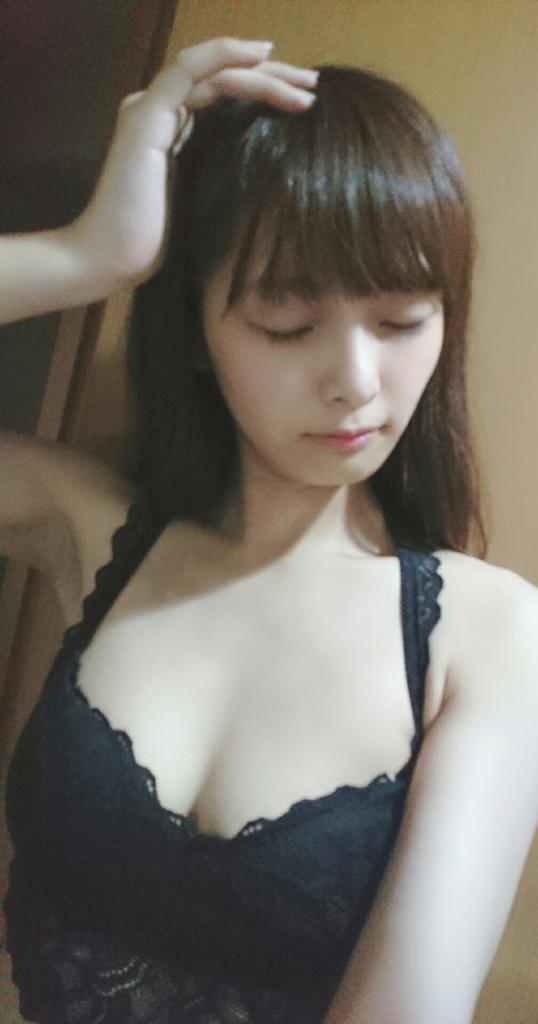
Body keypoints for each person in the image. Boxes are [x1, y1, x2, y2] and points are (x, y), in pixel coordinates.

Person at [1, 34, 537, 1024]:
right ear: (197, 331)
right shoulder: (89, 528)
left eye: (403, 320)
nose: (356, 383)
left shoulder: (486, 633)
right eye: (285, 326)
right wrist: (87, 256)